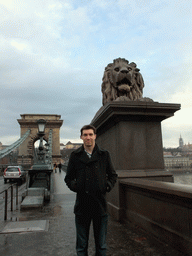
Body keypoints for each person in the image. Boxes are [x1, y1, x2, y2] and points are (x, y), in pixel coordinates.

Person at [65, 124, 117, 256]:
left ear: (95, 136)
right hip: (82, 205)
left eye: (90, 134)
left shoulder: (104, 155)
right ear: (81, 137)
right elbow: (68, 178)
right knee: (81, 246)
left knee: (101, 246)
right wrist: (76, 187)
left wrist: (106, 186)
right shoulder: (75, 156)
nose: (88, 137)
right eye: (85, 135)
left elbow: (113, 176)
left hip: (100, 205)